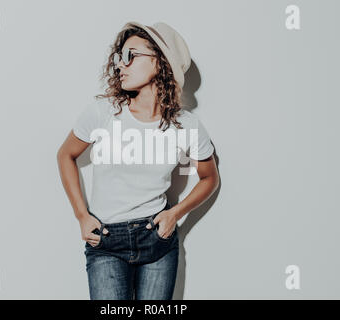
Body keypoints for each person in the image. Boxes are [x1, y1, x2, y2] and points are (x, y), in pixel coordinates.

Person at [57, 21, 220, 300]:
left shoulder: (186, 125)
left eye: (131, 55)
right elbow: (66, 155)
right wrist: (81, 216)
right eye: (119, 57)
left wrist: (175, 214)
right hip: (105, 242)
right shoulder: (103, 113)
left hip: (157, 241)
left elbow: (210, 177)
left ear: (161, 62)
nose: (121, 64)